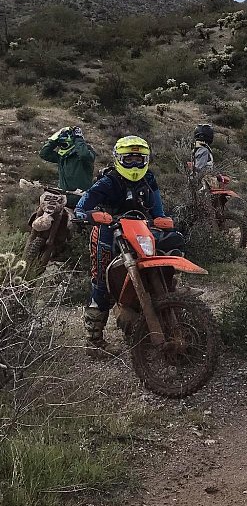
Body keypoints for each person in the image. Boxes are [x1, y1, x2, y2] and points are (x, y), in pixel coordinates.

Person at [74, 136, 167, 354]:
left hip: (140, 231)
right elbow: (83, 203)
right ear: (118, 159)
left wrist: (162, 219)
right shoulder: (109, 181)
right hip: (108, 231)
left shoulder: (149, 178)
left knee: (154, 269)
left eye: (139, 159)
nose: (134, 164)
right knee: (102, 282)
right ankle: (94, 341)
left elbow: (157, 208)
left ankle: (144, 325)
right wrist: (87, 214)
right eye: (129, 159)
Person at [39, 125, 96, 205]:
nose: (61, 147)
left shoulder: (87, 153)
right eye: (60, 145)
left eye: (64, 144)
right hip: (63, 195)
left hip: (81, 197)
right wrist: (53, 141)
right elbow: (44, 154)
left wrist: (78, 138)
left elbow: (84, 155)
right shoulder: (61, 157)